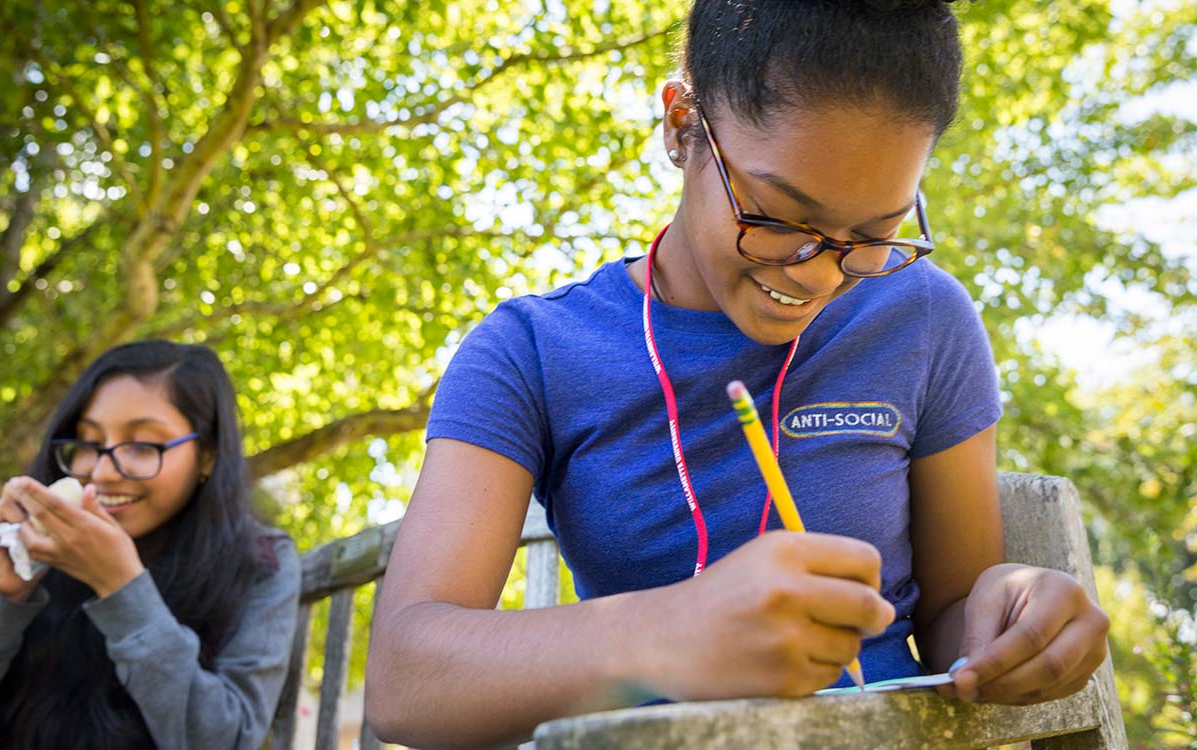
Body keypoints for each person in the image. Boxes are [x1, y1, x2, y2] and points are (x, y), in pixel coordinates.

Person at [365, 1, 1111, 747]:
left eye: (874, 234)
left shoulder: (920, 316)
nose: (817, 273)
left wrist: (1011, 618)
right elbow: (404, 681)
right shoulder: (529, 351)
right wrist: (667, 634)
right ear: (681, 126)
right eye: (777, 216)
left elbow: (952, 618)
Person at [0, 341, 301, 750]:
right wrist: (0, 599)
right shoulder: (31, 547)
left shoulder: (259, 562)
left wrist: (123, 589)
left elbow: (229, 741)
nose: (100, 472)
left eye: (142, 445)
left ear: (207, 455)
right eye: (89, 443)